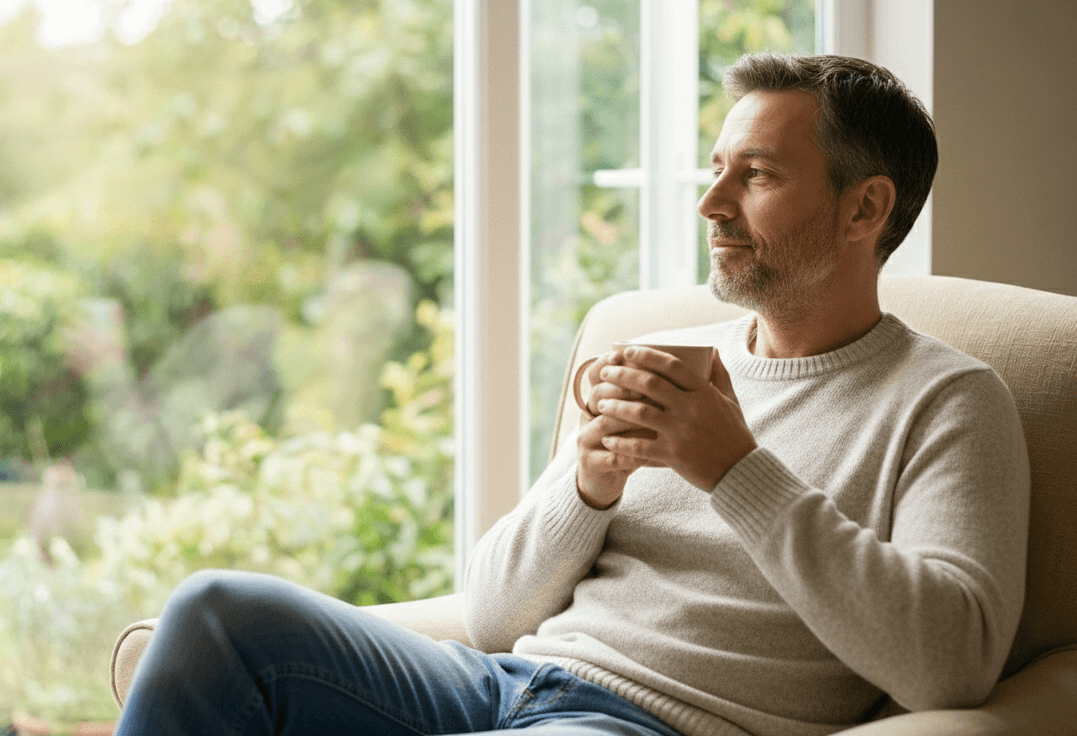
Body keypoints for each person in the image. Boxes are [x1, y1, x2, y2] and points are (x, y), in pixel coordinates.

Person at [114, 54, 1030, 736]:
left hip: (651, 724)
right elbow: (492, 615)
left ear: (864, 209)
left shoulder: (948, 401)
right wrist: (584, 481)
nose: (709, 202)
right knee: (214, 614)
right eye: (715, 168)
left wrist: (734, 469)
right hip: (496, 687)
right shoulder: (674, 362)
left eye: (754, 175)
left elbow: (947, 665)